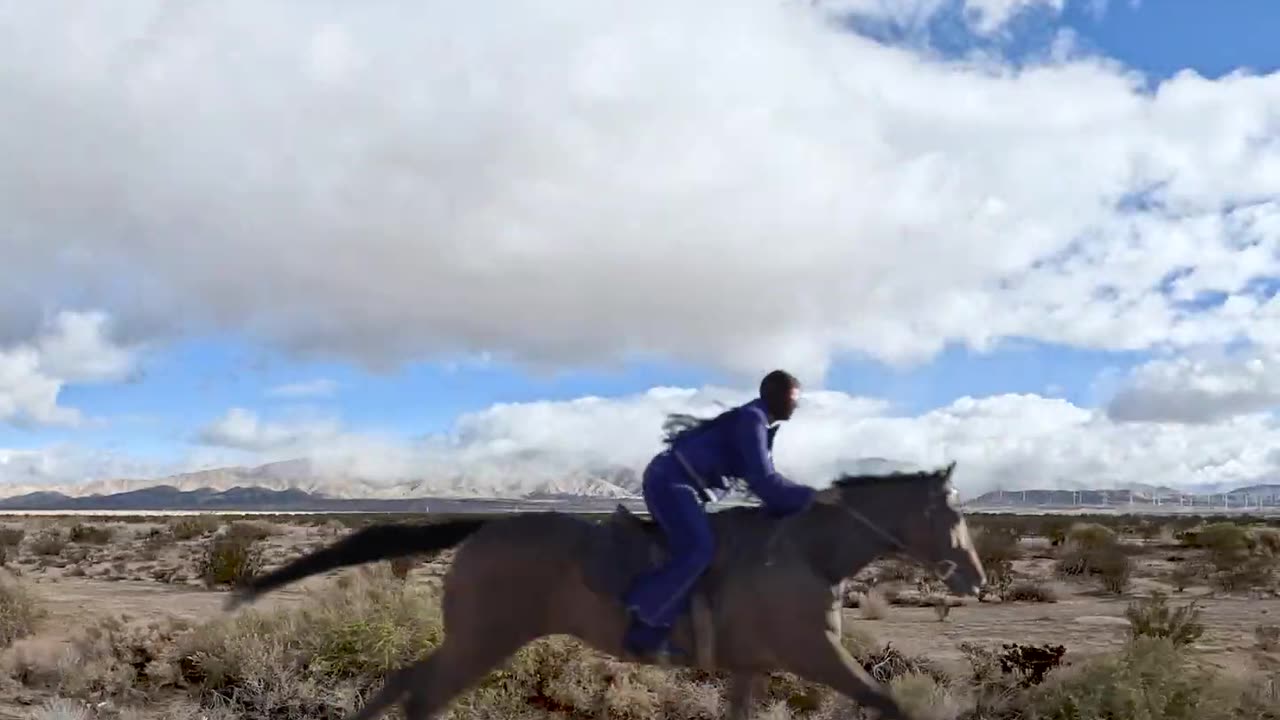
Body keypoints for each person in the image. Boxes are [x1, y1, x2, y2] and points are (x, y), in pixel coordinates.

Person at [621, 369, 818, 659]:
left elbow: (765, 483)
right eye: (793, 398)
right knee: (699, 549)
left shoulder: (759, 424)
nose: (796, 405)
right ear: (774, 395)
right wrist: (813, 497)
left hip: (681, 485)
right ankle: (645, 624)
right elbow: (765, 483)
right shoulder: (752, 421)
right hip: (671, 483)